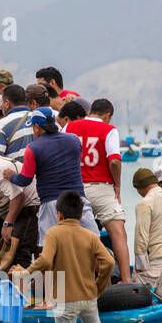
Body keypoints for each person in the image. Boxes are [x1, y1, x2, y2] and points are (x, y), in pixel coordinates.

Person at [17, 191, 132, 323]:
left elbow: (45, 261)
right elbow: (109, 262)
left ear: (59, 214)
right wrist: (99, 287)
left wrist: (25, 272)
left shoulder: (53, 233)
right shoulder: (90, 235)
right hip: (88, 297)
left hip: (65, 300)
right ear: (80, 215)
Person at [5, 107, 100, 248]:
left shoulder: (33, 148)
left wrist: (12, 176)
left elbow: (25, 179)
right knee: (93, 243)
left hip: (51, 203)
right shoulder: (73, 140)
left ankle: (57, 271)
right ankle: (94, 270)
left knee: (50, 248)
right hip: (77, 200)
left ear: (37, 127)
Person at [65, 98, 131, 282]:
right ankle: (126, 280)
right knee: (118, 231)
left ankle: (81, 280)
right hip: (100, 187)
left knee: (74, 236)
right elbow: (115, 161)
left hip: (75, 189)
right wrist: (117, 184)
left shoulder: (69, 128)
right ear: (107, 115)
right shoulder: (109, 130)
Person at [131, 168, 162, 288]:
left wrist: (140, 268)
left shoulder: (144, 203)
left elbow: (141, 239)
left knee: (134, 282)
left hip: (159, 260)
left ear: (139, 188)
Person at [0, 85, 34, 160]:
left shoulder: (2, 124)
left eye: (2, 102)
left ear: (6, 103)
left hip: (17, 170)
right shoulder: (36, 117)